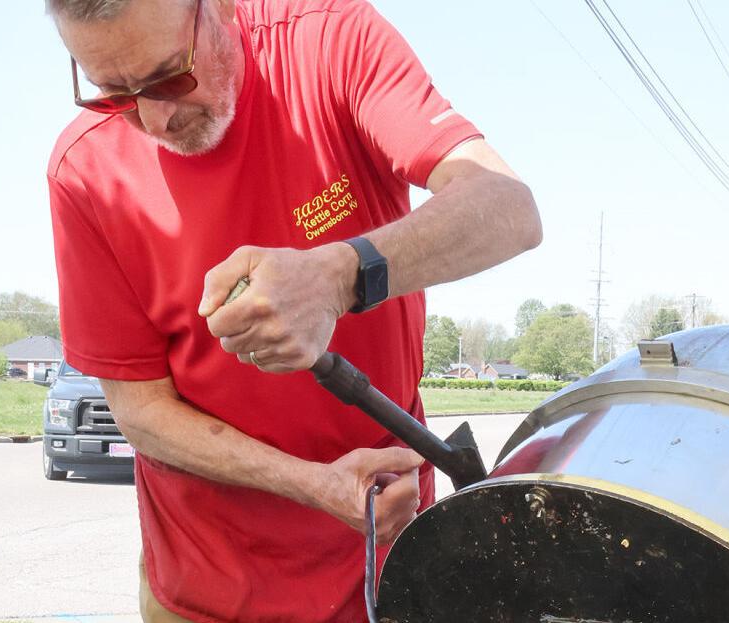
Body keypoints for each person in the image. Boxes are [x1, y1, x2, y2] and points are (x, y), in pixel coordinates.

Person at [43, 0, 541, 620]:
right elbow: (140, 411)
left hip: (386, 562)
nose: (154, 118)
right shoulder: (84, 172)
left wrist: (337, 276)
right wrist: (312, 484)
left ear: (219, 9)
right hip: (205, 588)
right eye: (113, 93)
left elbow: (509, 209)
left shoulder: (331, 42)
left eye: (170, 75)